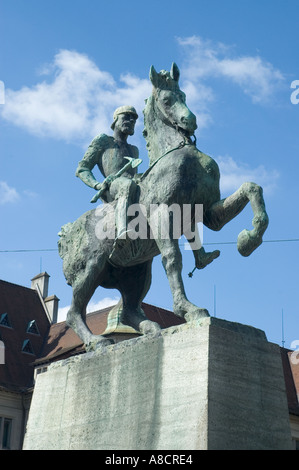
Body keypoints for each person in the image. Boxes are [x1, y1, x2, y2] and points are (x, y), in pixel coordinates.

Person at [76, 106, 140, 254]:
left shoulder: (134, 150)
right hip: (113, 187)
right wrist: (97, 185)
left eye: (134, 119)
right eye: (126, 117)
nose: (131, 121)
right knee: (126, 184)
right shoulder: (104, 141)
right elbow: (82, 168)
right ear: (115, 119)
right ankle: (122, 231)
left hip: (132, 184)